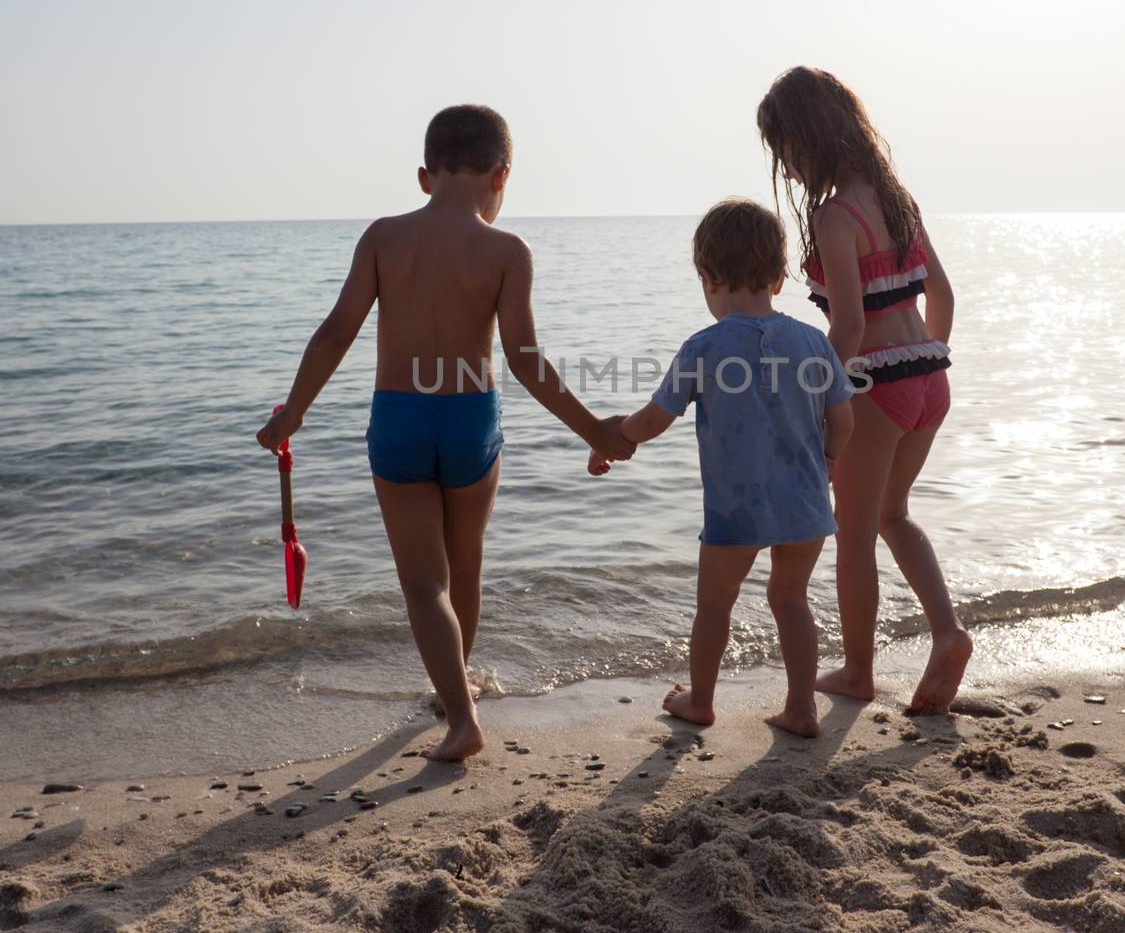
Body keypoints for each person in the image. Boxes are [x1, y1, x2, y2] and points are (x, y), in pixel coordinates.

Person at [256, 104, 634, 760]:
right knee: (466, 566)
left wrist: (294, 413)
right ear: (501, 175)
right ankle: (458, 698)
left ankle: (459, 714)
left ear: (425, 176)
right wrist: (594, 431)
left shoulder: (383, 238)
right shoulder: (507, 251)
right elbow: (525, 360)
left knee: (423, 584)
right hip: (470, 418)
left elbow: (335, 331)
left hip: (400, 418)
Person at [588, 198, 854, 737]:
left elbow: (655, 420)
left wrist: (613, 436)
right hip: (806, 502)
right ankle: (801, 708)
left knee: (714, 603)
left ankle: (701, 701)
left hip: (738, 507)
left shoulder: (704, 347)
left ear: (708, 278)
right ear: (780, 280)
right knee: (791, 599)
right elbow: (843, 420)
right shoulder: (813, 343)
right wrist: (826, 462)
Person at [757, 65, 970, 713]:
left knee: (854, 533)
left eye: (785, 151)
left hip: (875, 385)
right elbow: (943, 294)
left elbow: (847, 323)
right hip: (929, 378)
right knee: (892, 516)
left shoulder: (834, 216)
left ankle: (856, 671)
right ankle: (948, 631)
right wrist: (924, 360)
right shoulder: (897, 200)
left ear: (809, 138)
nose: (787, 168)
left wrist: (820, 397)